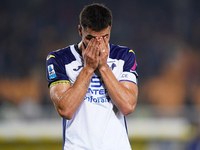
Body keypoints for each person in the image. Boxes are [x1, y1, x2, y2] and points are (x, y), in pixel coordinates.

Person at [46, 3, 138, 150]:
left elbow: (128, 106)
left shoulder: (124, 56)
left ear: (110, 31)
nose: (97, 44)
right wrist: (88, 68)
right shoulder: (59, 59)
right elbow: (66, 110)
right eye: (90, 38)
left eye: (104, 37)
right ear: (80, 30)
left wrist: (103, 67)